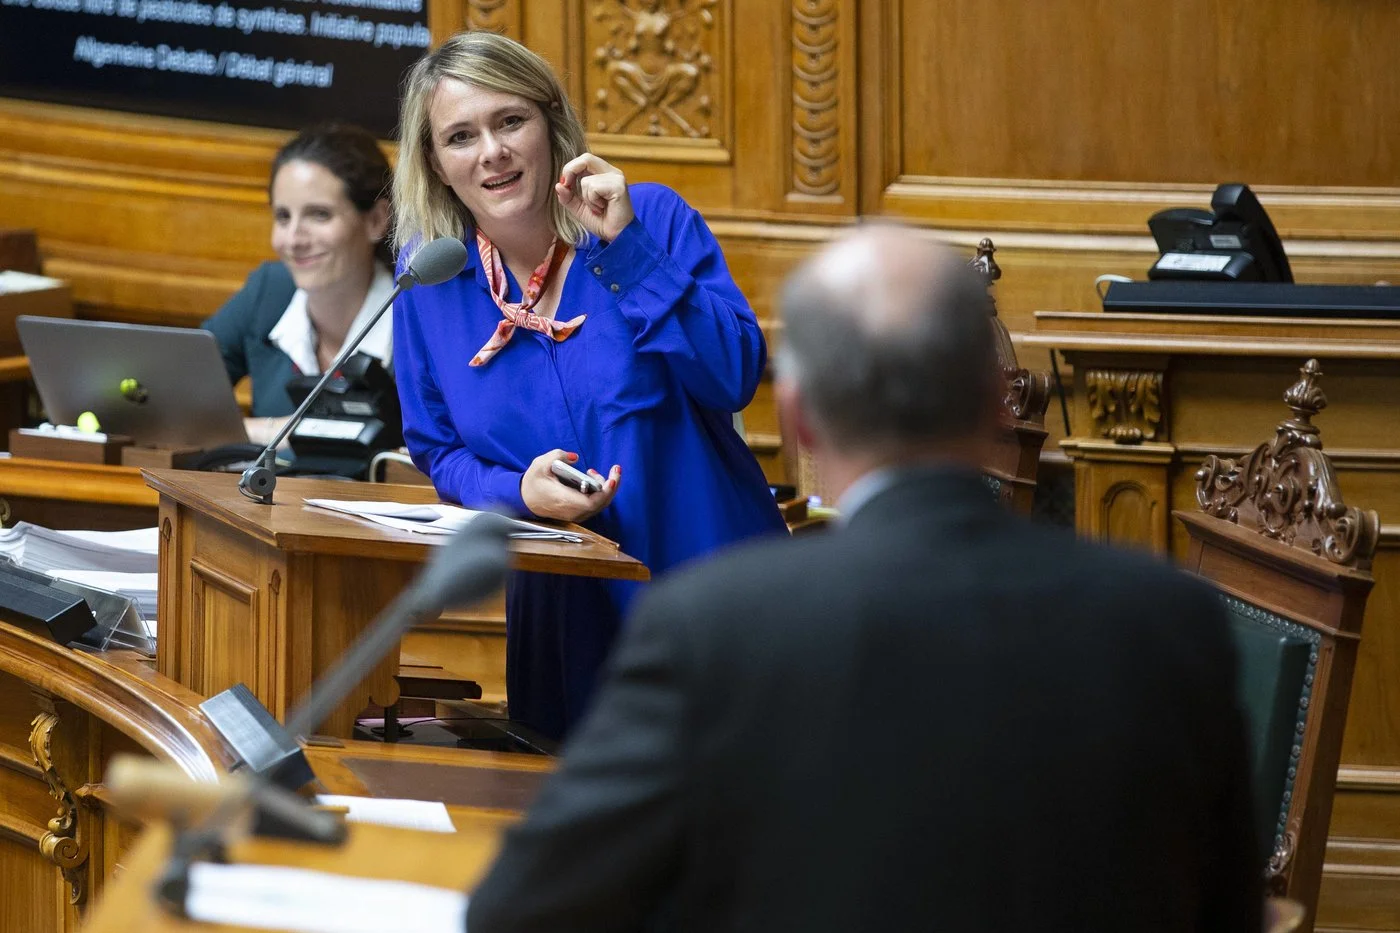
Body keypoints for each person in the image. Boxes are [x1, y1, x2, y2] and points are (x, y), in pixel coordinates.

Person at [466, 226, 1262, 933]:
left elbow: (521, 908)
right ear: (994, 400)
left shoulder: (712, 628)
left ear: (800, 418)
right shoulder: (1171, 621)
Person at [391, 32, 786, 740]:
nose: (492, 152)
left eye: (511, 121)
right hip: (565, 627)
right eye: (460, 136)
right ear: (436, 165)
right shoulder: (430, 282)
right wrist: (519, 493)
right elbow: (439, 451)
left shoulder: (651, 217)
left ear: (550, 124)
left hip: (713, 596)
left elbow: (734, 375)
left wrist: (627, 250)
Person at [203, 123, 395, 445]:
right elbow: (177, 397)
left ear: (376, 220)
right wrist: (271, 431)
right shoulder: (269, 290)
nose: (293, 240)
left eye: (318, 215)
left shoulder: (420, 314)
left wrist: (261, 432)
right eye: (282, 217)